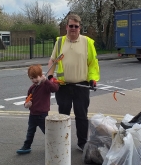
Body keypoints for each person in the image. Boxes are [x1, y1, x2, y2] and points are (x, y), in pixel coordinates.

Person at [47, 13, 100, 152]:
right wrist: (50, 76)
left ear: (79, 27)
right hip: (63, 86)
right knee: (63, 116)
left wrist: (93, 79)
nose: (73, 28)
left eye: (76, 26)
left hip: (81, 86)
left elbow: (93, 64)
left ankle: (82, 144)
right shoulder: (59, 42)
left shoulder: (87, 42)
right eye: (71, 26)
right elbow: (53, 60)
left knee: (81, 116)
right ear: (66, 27)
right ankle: (61, 143)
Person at [16, 64, 59, 154]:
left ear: (41, 75)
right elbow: (27, 100)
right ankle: (26, 146)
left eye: (36, 77)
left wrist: (46, 80)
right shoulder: (32, 88)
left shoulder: (45, 85)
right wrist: (26, 105)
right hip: (33, 114)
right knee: (30, 132)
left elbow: (55, 88)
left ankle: (54, 146)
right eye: (31, 78)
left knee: (47, 132)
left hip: (42, 114)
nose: (34, 80)